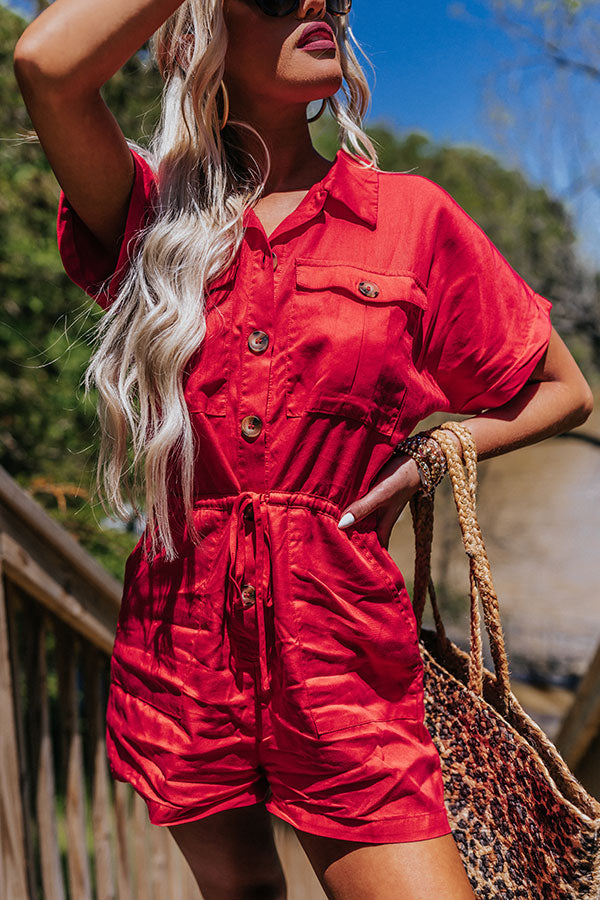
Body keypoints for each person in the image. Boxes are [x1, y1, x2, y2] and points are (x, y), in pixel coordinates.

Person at [13, 0, 594, 897]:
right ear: (203, 29)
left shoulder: (410, 217)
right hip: (183, 647)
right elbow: (49, 65)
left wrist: (432, 454)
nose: (319, 4)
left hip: (345, 653)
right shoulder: (151, 217)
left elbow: (563, 389)